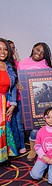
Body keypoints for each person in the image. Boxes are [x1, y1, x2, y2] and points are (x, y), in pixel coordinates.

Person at [18, 42, 52, 162]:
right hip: (28, 100)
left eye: (42, 53)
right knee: (33, 127)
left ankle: (45, 148)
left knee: (43, 125)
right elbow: (17, 80)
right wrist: (18, 85)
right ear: (33, 48)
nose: (39, 54)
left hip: (43, 102)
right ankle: (33, 149)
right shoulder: (22, 63)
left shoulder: (47, 65)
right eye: (38, 50)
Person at [0, 38, 18, 166]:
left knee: (5, 129)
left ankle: (4, 156)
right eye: (0, 49)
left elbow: (13, 87)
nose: (3, 52)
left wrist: (12, 104)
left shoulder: (9, 66)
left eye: (5, 49)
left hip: (5, 101)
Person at [8, 40, 26, 154]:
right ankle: (11, 147)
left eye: (13, 48)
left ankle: (22, 145)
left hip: (18, 99)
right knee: (9, 124)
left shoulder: (18, 64)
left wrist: (20, 84)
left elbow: (22, 79)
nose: (12, 50)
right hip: (7, 99)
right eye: (10, 48)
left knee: (19, 124)